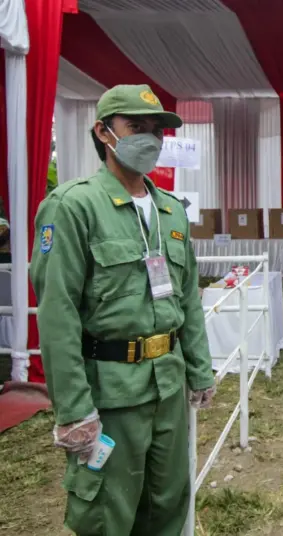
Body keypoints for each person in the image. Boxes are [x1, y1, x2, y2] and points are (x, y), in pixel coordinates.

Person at [30, 84, 215, 536]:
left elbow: (187, 297)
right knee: (108, 514)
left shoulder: (170, 210)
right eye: (136, 127)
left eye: (156, 131)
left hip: (167, 386)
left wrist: (200, 370)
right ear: (103, 132)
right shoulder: (74, 205)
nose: (149, 139)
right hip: (110, 392)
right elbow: (57, 314)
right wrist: (73, 410)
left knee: (168, 502)